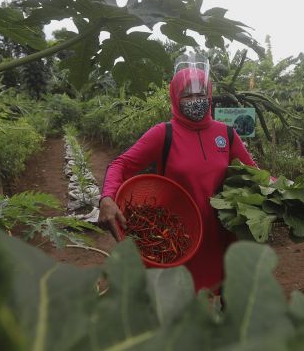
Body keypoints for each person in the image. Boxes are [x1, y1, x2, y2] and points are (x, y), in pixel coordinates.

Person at [98, 54, 257, 292]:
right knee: (178, 302)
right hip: (177, 236)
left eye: (201, 94)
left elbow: (255, 174)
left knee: (221, 300)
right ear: (176, 97)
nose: (196, 100)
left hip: (221, 234)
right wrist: (107, 197)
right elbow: (120, 164)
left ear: (209, 95)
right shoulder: (164, 133)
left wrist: (283, 190)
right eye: (188, 95)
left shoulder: (227, 134)